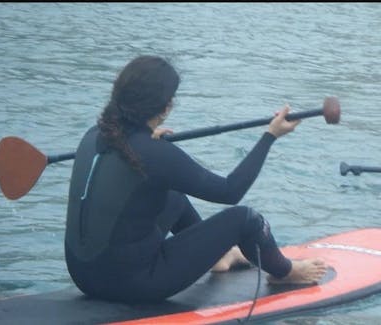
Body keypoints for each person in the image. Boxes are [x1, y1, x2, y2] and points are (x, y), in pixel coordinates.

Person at [64, 55, 327, 303]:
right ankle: (285, 273)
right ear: (165, 107)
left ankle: (221, 257)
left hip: (83, 277)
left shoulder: (93, 136)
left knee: (171, 194)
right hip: (133, 284)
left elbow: (135, 162)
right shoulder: (155, 154)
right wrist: (270, 136)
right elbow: (230, 191)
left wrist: (148, 137)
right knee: (244, 219)